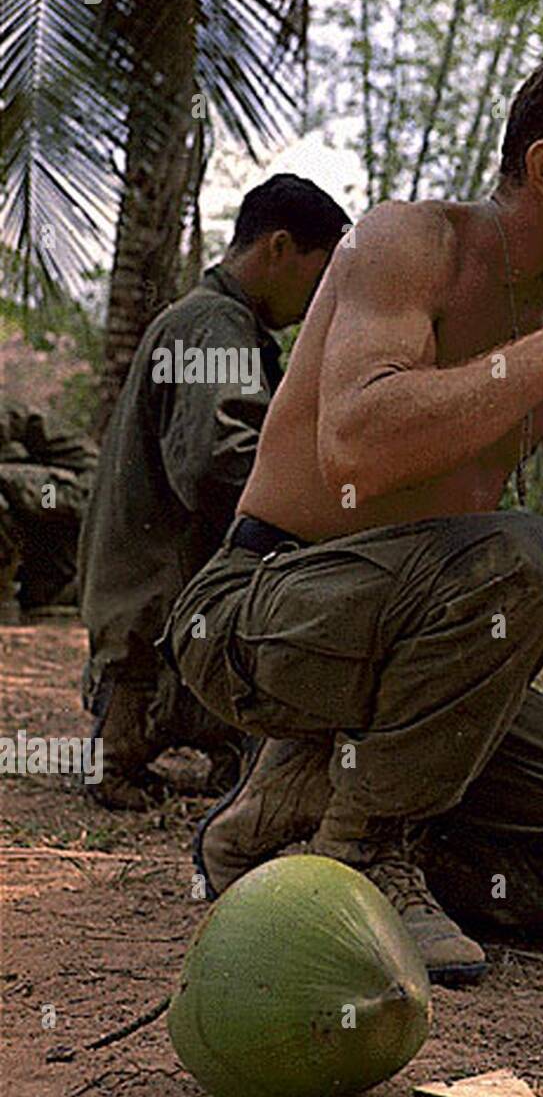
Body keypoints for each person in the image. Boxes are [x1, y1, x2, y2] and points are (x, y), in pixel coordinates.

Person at [163, 42, 543, 983]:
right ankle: (362, 857)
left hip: (409, 655)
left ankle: (290, 819)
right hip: (259, 615)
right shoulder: (407, 240)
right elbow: (360, 448)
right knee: (525, 554)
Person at [78, 175, 349, 811]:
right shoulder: (213, 325)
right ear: (279, 248)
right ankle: (124, 748)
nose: (320, 301)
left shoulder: (212, 322)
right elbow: (217, 465)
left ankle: (168, 738)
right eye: (322, 275)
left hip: (149, 608)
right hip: (155, 612)